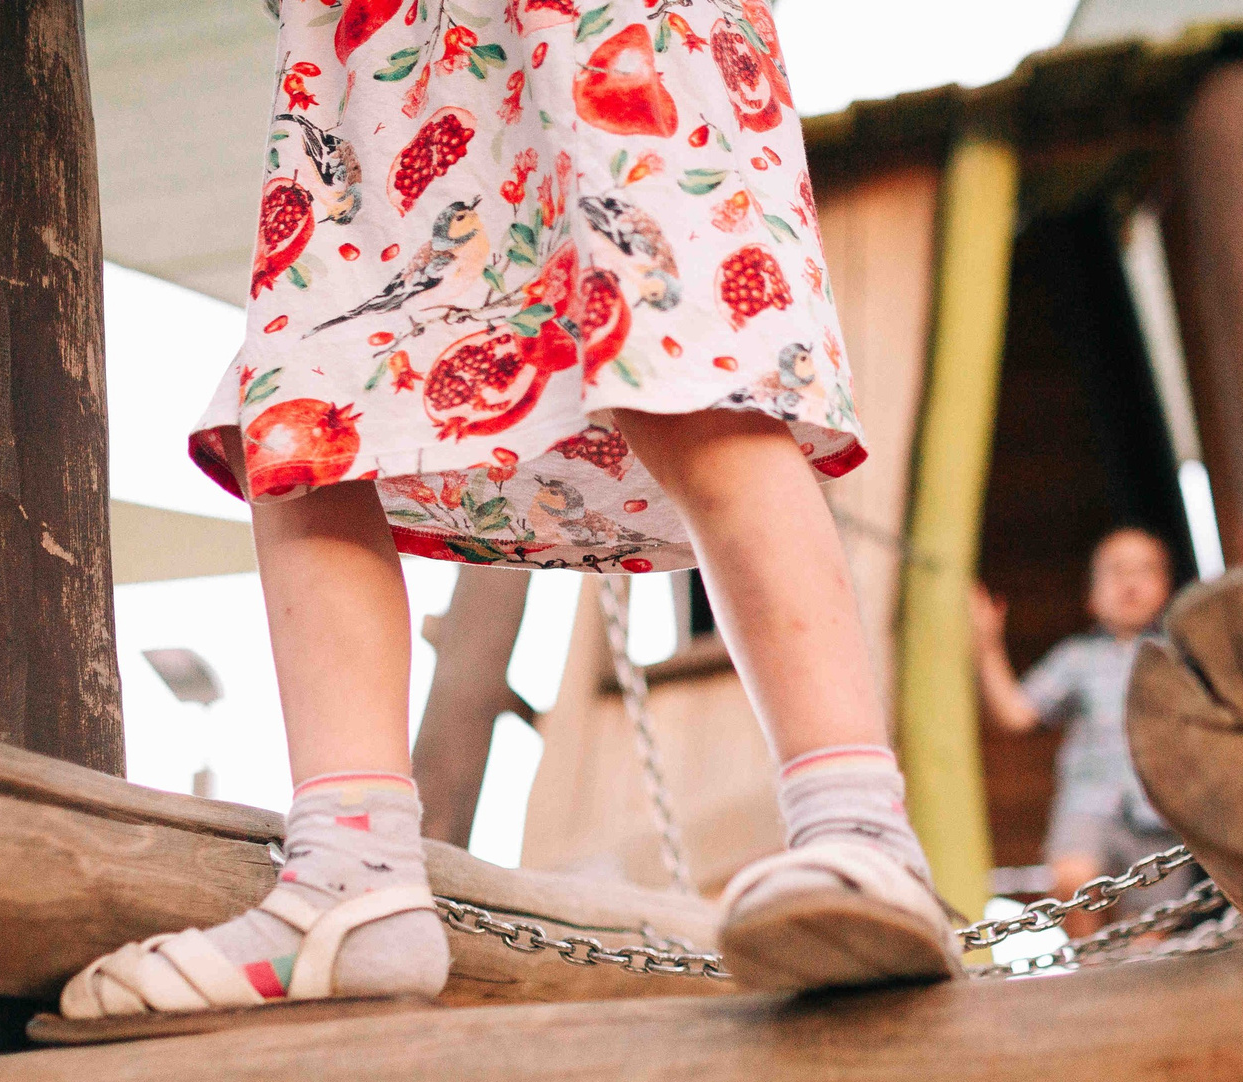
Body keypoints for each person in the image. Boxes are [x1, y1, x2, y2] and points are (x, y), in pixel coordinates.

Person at [61, 0, 951, 1020]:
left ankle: (857, 829)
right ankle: (348, 873)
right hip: (371, 34)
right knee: (311, 387)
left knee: (676, 313)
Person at [969, 526, 1184, 908]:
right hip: (1090, 806)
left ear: (1166, 586)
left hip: (1163, 813)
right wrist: (987, 646)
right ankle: (1086, 956)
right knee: (1072, 881)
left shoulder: (1183, 657)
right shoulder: (1077, 658)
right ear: (1091, 595)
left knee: (1154, 931)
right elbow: (1016, 714)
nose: (1130, 583)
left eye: (1145, 570)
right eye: (1116, 571)